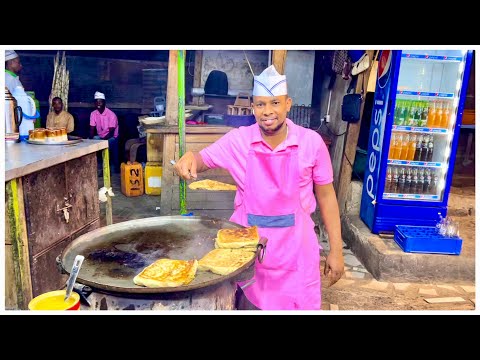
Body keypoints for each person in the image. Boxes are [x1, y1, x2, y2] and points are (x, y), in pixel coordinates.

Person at [174, 65, 344, 310]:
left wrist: (336, 251)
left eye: (275, 103)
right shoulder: (238, 140)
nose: (268, 112)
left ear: (288, 104)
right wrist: (189, 157)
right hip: (248, 252)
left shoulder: (311, 143)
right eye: (261, 104)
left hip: (297, 254)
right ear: (252, 107)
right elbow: (202, 160)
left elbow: (327, 197)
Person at [89, 91, 119, 172]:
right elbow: (92, 129)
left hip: (111, 137)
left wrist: (101, 143)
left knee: (107, 144)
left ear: (104, 103)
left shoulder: (111, 114)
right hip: (100, 137)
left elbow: (111, 133)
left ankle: (106, 168)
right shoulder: (93, 114)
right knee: (92, 141)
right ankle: (94, 167)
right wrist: (89, 141)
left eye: (100, 102)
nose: (98, 104)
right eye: (96, 102)